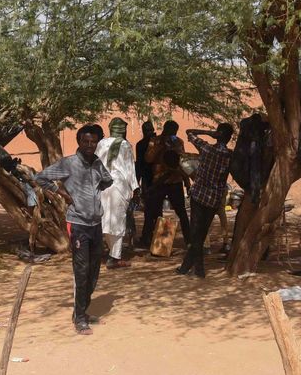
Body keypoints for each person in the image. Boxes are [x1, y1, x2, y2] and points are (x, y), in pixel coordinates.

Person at [34, 125, 114, 335]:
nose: (89, 145)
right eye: (85, 141)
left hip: (96, 223)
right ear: (79, 141)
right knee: (81, 270)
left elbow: (108, 180)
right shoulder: (68, 163)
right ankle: (79, 318)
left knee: (94, 271)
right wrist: (62, 193)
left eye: (93, 142)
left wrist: (94, 193)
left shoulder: (97, 163)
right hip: (78, 224)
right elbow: (40, 178)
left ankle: (82, 310)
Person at [178, 123, 234, 278]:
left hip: (199, 196)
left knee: (196, 233)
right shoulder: (230, 155)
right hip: (214, 199)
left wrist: (209, 133)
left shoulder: (206, 148)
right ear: (229, 138)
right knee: (200, 234)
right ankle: (185, 267)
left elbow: (189, 131)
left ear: (217, 134)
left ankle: (199, 269)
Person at [139, 120, 191, 248]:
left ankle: (189, 241)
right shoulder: (155, 141)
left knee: (181, 212)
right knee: (151, 212)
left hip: (175, 181)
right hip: (159, 182)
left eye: (174, 132)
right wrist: (160, 146)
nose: (173, 134)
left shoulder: (179, 142)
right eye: (171, 131)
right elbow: (148, 159)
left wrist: (186, 181)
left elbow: (182, 162)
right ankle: (146, 239)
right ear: (165, 129)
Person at [95, 118, 139, 268]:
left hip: (103, 185)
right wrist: (135, 188)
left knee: (105, 219)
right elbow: (130, 168)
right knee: (118, 220)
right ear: (123, 130)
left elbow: (95, 164)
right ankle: (114, 258)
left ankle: (108, 252)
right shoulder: (125, 145)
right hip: (119, 185)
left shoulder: (101, 143)